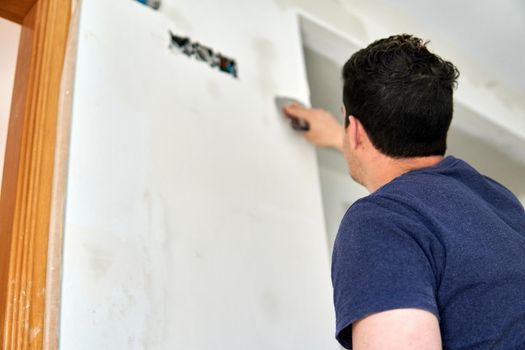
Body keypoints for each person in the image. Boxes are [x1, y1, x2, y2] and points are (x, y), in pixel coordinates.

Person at [284, 34, 525, 349]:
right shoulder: (498, 199)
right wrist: (339, 136)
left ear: (354, 130)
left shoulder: (378, 222)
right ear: (439, 123)